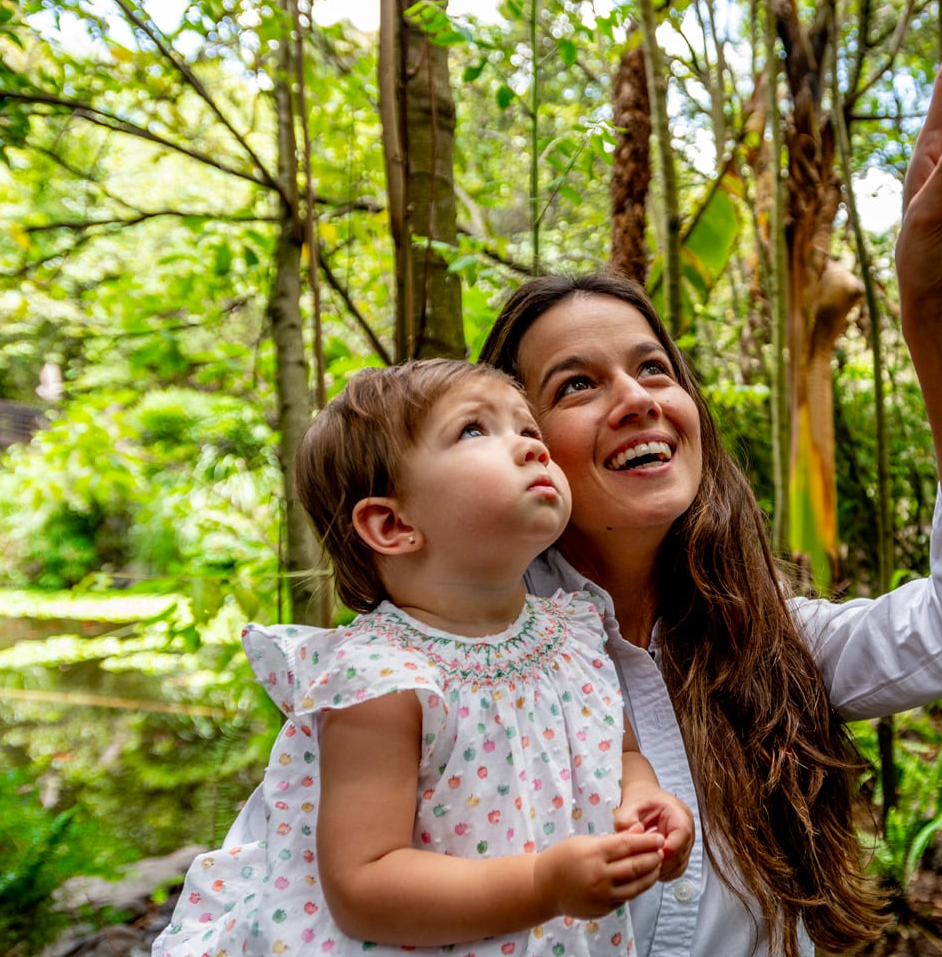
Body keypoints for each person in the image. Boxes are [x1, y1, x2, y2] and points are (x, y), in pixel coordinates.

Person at [475, 3, 942, 957]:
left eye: (655, 370)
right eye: (578, 384)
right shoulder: (457, 662)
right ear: (519, 442)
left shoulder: (771, 644)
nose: (636, 399)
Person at [153, 360, 695, 957]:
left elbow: (619, 753)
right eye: (473, 430)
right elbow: (364, 884)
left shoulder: (574, 631)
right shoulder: (383, 677)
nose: (531, 449)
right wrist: (542, 884)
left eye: (528, 430)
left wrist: (644, 802)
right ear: (392, 523)